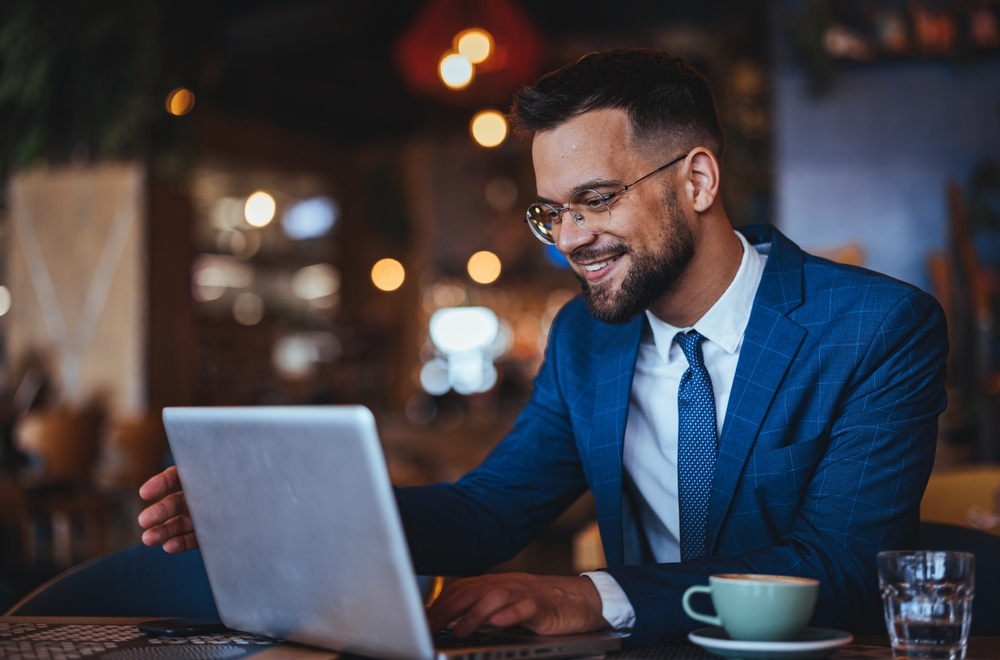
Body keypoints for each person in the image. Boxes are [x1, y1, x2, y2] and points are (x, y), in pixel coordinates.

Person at [138, 48, 947, 647]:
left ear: (697, 181)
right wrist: (278, 508)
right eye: (551, 212)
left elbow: (843, 567)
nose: (569, 240)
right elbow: (490, 510)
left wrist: (589, 596)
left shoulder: (876, 329)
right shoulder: (584, 341)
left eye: (594, 200)